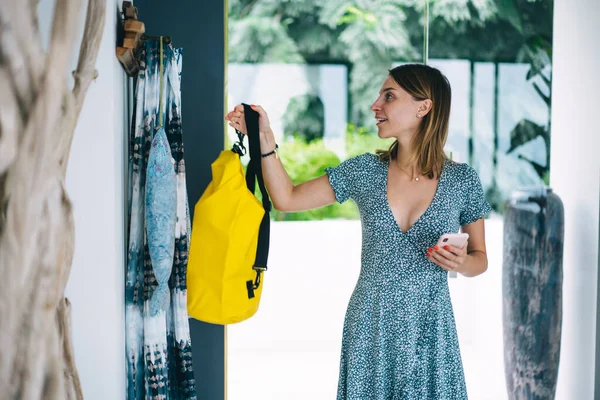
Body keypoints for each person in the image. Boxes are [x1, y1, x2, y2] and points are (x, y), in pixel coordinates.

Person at [226, 63, 491, 399]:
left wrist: (461, 262)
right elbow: (287, 198)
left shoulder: (462, 181)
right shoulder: (365, 170)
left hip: (431, 330)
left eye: (389, 96)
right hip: (370, 328)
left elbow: (480, 259)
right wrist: (264, 138)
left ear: (423, 107)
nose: (375, 105)